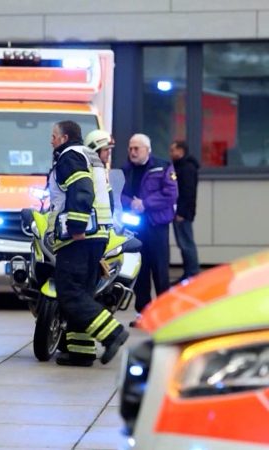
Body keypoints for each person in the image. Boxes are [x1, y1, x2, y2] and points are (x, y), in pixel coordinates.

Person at [49, 121, 128, 367]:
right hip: (97, 235)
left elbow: (81, 190)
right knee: (82, 293)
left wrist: (76, 227)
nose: (51, 141)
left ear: (64, 137)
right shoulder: (90, 157)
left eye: (53, 136)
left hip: (79, 237)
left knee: (69, 293)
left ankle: (112, 333)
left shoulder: (70, 156)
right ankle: (80, 350)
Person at [122, 133, 178, 321]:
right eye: (130, 148)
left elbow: (171, 193)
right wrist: (131, 204)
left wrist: (145, 203)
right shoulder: (126, 170)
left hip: (157, 225)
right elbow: (119, 193)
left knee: (160, 269)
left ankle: (164, 312)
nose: (132, 152)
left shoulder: (162, 166)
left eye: (136, 148)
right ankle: (142, 313)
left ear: (147, 149)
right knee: (140, 270)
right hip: (136, 226)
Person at [169, 140, 200, 283]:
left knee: (186, 243)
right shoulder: (183, 166)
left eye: (173, 150)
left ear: (180, 151)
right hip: (182, 212)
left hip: (183, 213)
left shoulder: (186, 168)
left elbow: (187, 192)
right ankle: (189, 272)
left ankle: (192, 273)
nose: (171, 153)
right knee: (184, 243)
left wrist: (181, 212)